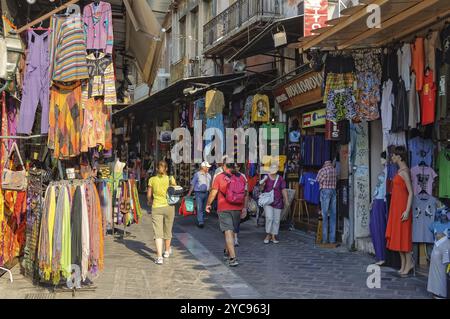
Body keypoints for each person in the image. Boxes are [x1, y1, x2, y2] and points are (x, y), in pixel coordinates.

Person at [206, 163, 248, 267]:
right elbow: (246, 194)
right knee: (232, 231)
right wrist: (245, 208)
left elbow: (213, 192)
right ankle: (227, 250)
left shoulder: (220, 177)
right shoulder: (241, 177)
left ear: (225, 167)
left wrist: (208, 204)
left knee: (228, 231)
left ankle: (233, 258)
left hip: (224, 207)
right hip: (237, 208)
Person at [385, 146, 414, 277]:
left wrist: (407, 211)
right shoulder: (399, 171)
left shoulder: (404, 172)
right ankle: (403, 265)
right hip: (396, 208)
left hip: (402, 209)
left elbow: (411, 193)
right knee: (398, 237)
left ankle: (409, 264)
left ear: (399, 157)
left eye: (394, 155)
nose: (392, 157)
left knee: (404, 238)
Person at [147, 160, 177, 265]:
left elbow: (149, 195)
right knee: (168, 230)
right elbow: (175, 190)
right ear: (166, 169)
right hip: (169, 207)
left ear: (156, 169)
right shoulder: (170, 179)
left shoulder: (152, 180)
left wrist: (149, 201)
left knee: (158, 233)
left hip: (157, 207)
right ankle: (167, 251)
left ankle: (159, 257)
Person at [260, 164, 289, 244]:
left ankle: (273, 235)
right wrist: (262, 185)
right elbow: (261, 189)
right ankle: (268, 234)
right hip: (268, 201)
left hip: (278, 201)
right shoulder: (266, 177)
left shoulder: (280, 179)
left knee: (276, 220)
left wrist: (286, 200)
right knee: (269, 218)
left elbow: (283, 189)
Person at [317, 160, 337, 244]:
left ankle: (325, 239)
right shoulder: (334, 170)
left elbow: (318, 180)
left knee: (325, 215)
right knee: (333, 215)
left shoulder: (323, 170)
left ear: (324, 164)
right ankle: (332, 239)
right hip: (333, 191)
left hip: (325, 191)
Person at [187, 161, 212, 228]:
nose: (208, 168)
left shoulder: (209, 175)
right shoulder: (197, 174)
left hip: (206, 193)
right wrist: (189, 193)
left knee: (204, 208)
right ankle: (200, 221)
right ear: (203, 167)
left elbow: (210, 186)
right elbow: (193, 184)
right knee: (199, 207)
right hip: (198, 193)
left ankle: (202, 219)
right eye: (207, 167)